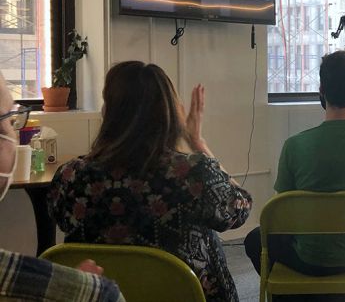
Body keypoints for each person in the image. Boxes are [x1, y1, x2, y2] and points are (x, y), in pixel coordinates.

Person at [48, 62, 252, 302]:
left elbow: (59, 219)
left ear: (108, 112)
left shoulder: (70, 177)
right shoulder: (194, 174)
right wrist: (198, 143)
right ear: (169, 114)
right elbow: (241, 208)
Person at [243, 50, 345, 300]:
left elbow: (282, 220)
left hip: (310, 257)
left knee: (256, 239)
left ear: (322, 89)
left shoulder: (295, 145)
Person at [0, 72, 124, 302]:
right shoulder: (93, 295)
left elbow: (60, 217)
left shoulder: (71, 173)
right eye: (9, 119)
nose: (14, 131)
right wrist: (68, 287)